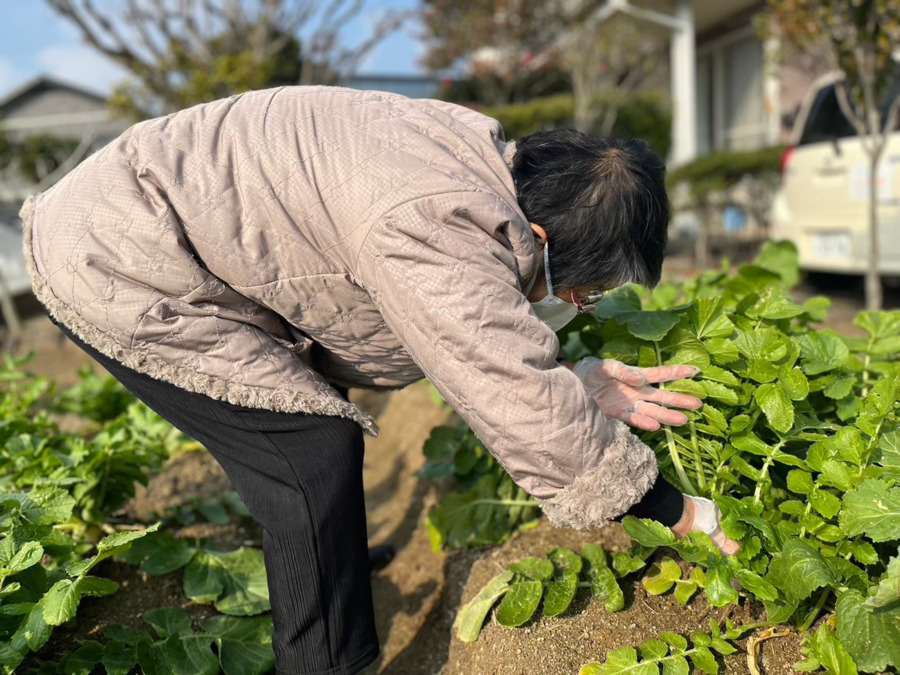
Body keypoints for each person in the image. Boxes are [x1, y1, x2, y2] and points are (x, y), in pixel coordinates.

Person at [21, 86, 739, 675]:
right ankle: (326, 661)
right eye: (586, 289)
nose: (579, 304)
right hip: (120, 257)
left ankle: (332, 564)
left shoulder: (479, 158)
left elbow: (482, 345)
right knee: (307, 449)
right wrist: (679, 511)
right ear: (544, 237)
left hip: (156, 224)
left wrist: (574, 382)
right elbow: (503, 381)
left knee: (314, 441)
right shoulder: (438, 220)